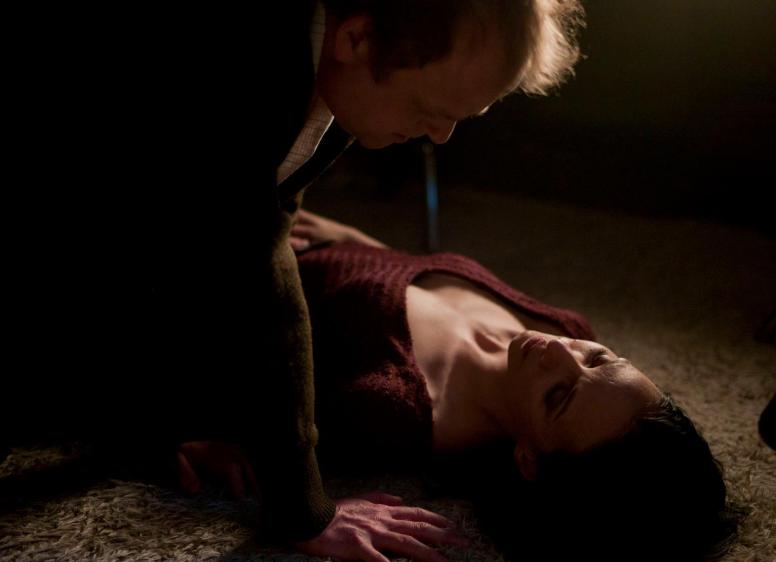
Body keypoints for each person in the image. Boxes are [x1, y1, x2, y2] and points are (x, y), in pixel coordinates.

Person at [5, 1, 583, 560]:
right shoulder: (248, 69)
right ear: (357, 39)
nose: (440, 136)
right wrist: (304, 509)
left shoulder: (331, 75)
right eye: (428, 108)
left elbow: (234, 232)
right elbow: (256, 286)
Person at [176, 210, 746, 561]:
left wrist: (201, 432)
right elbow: (412, 277)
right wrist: (355, 240)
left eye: (558, 396)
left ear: (528, 459)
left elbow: (252, 368)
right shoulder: (568, 328)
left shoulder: (391, 407)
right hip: (291, 220)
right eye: (599, 359)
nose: (560, 352)